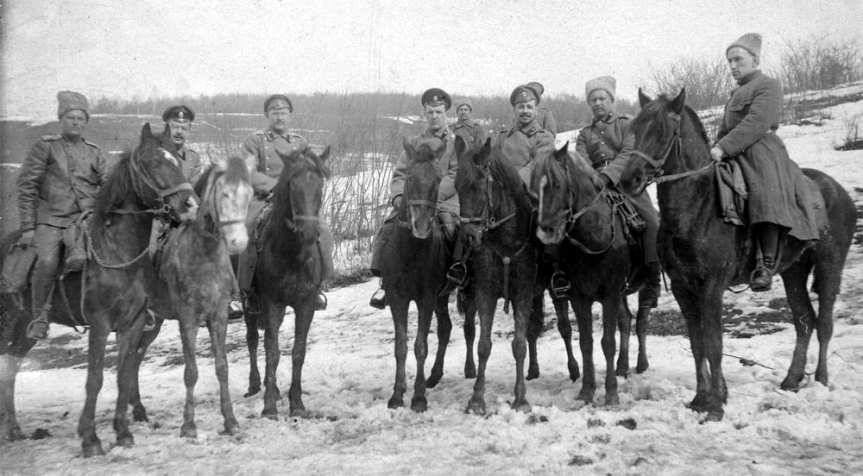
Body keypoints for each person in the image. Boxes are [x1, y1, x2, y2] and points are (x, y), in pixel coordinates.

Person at [712, 33, 821, 291]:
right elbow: (725, 129)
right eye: (729, 61)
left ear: (755, 59)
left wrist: (724, 147)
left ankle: (766, 262)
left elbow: (757, 122)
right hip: (733, 150)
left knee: (763, 190)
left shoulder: (768, 85)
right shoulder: (735, 93)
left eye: (738, 59)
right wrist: (714, 148)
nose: (732, 66)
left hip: (761, 149)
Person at [441, 84, 554, 292]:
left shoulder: (544, 137)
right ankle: (463, 267)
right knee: (474, 216)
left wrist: (514, 183)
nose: (525, 111)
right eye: (521, 107)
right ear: (515, 110)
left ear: (536, 109)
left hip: (531, 193)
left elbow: (539, 164)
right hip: (502, 195)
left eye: (529, 107)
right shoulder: (502, 136)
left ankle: (554, 273)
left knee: (546, 223)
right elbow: (490, 163)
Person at [16, 91, 107, 339]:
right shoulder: (46, 147)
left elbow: (107, 184)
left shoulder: (94, 152)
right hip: (52, 220)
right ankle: (39, 317)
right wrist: (28, 227)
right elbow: (27, 187)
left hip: (86, 219)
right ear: (61, 118)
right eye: (71, 117)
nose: (76, 122)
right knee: (46, 262)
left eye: (81, 118)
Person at [235, 94, 333, 312]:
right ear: (267, 115)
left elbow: (310, 169)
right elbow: (247, 170)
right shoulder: (255, 141)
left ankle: (318, 284)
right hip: (264, 198)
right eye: (274, 112)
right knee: (247, 231)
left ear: (290, 115)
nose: (279, 117)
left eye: (283, 112)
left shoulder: (300, 142)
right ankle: (244, 290)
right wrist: (274, 187)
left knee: (322, 230)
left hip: (296, 201)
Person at [369, 88, 459, 309]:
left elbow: (455, 174)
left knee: (453, 230)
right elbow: (400, 174)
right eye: (430, 112)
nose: (434, 116)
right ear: (424, 114)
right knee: (388, 228)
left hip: (444, 201)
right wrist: (399, 197)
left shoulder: (455, 143)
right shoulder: (414, 143)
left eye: (438, 111)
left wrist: (433, 196)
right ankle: (384, 281)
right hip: (414, 201)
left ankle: (459, 275)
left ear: (446, 112)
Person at [576, 75, 661, 308]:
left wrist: (607, 176)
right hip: (594, 187)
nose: (598, 103)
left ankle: (652, 280)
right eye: (593, 100)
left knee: (651, 222)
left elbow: (628, 152)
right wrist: (593, 178)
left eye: (602, 98)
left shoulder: (627, 124)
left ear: (611, 100)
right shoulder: (584, 133)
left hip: (626, 184)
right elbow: (581, 159)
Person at [159, 105, 207, 184]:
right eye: (175, 127)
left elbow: (194, 191)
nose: (179, 132)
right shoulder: (154, 154)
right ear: (166, 128)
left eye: (184, 128)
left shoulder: (193, 159)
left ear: (189, 130)